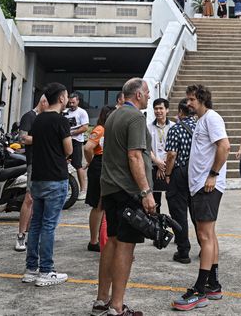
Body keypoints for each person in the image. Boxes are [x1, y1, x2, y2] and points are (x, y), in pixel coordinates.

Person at [92, 78, 156, 316]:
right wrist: (146, 192)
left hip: (110, 188)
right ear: (138, 95)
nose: (149, 97)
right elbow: (134, 157)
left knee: (112, 242)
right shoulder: (136, 117)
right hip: (128, 191)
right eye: (147, 93)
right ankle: (117, 306)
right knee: (126, 247)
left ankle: (102, 300)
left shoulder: (113, 116)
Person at [171, 84, 229, 311]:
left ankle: (200, 289)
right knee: (209, 236)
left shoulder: (212, 118)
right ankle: (213, 284)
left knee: (204, 237)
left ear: (202, 100)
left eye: (192, 99)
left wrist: (213, 175)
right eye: (187, 99)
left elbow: (224, 146)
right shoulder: (202, 120)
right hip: (200, 187)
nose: (188, 103)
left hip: (208, 187)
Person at [21, 83, 72, 287]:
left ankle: (31, 269)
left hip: (38, 178)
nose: (67, 99)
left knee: (35, 225)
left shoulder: (39, 118)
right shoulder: (61, 121)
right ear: (61, 98)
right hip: (56, 178)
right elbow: (68, 149)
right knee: (49, 226)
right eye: (66, 96)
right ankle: (46, 271)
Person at [165, 98, 198, 264]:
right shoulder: (200, 127)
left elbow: (171, 155)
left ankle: (183, 250)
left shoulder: (175, 129)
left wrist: (168, 174)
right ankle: (206, 246)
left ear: (180, 112)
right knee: (197, 212)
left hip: (179, 172)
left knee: (179, 212)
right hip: (197, 173)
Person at [15, 93, 49, 252]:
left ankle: (31, 235)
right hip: (33, 163)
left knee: (38, 200)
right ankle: (20, 235)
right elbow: (23, 138)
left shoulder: (45, 118)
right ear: (43, 102)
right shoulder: (29, 116)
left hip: (44, 163)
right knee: (29, 198)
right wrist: (44, 138)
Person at [85, 105, 115, 252]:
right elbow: (87, 148)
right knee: (98, 205)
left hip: (105, 165)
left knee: (102, 204)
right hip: (99, 164)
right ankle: (93, 241)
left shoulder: (109, 130)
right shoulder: (100, 129)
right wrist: (91, 162)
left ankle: (98, 238)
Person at [148, 98, 174, 213]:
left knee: (173, 200)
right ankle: (156, 227)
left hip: (170, 168)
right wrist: (157, 163)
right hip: (154, 167)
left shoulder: (174, 126)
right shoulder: (148, 127)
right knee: (155, 201)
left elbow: (174, 150)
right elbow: (146, 148)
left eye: (161, 108)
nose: (158, 111)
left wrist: (164, 165)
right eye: (156, 108)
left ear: (167, 110)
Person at [65, 93, 90, 192]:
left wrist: (72, 133)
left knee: (77, 164)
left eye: (73, 102)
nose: (71, 104)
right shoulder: (65, 112)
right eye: (70, 102)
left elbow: (85, 127)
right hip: (66, 141)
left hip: (76, 141)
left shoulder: (82, 112)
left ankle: (83, 189)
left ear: (78, 101)